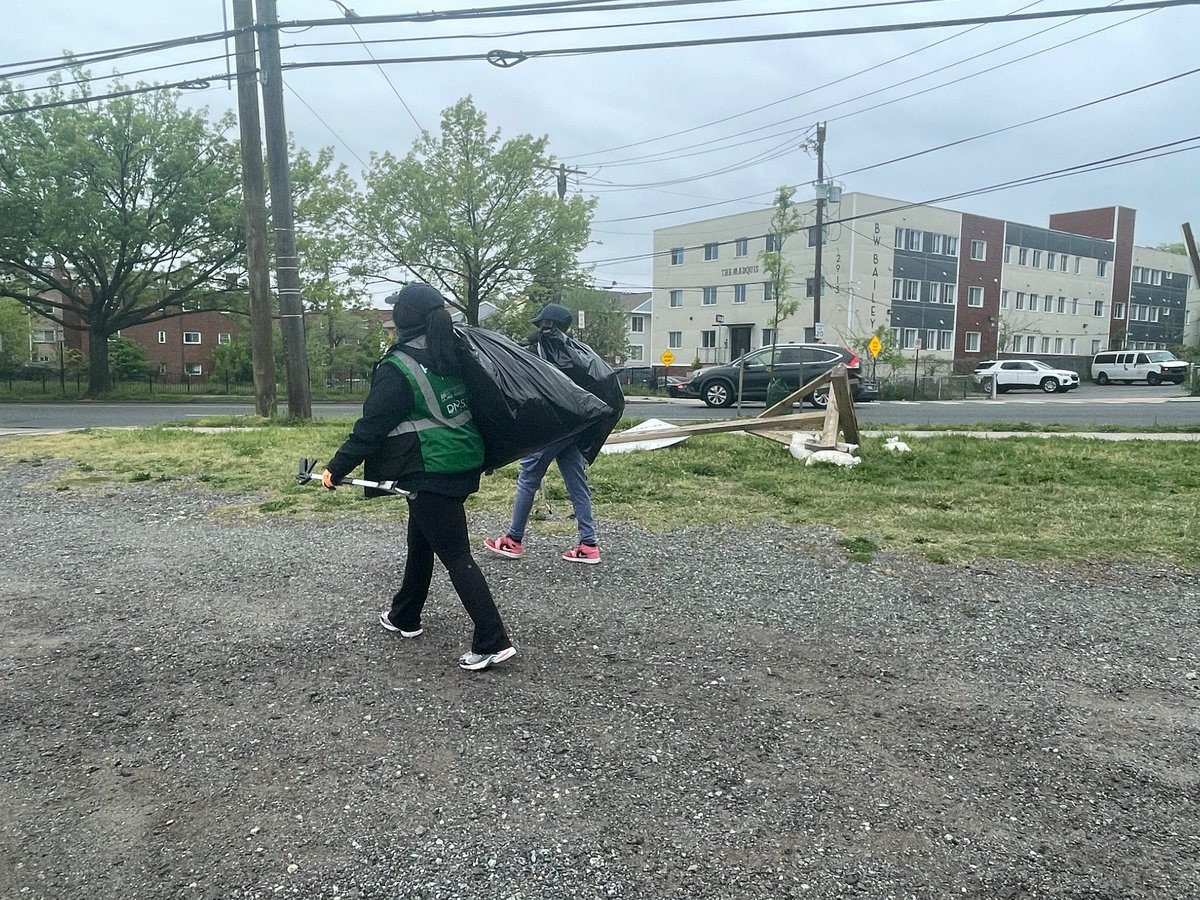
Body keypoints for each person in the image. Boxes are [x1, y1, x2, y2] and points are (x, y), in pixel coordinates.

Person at [322, 283, 516, 672]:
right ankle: (404, 616)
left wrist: (336, 468)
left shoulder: (399, 366)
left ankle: (492, 639)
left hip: (430, 467)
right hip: (463, 459)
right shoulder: (450, 351)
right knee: (422, 540)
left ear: (404, 316)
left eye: (396, 310)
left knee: (456, 553)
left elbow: (372, 427)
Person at [484, 302, 606, 565]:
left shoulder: (541, 350)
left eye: (542, 323)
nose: (539, 328)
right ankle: (589, 544)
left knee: (528, 478)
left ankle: (513, 540)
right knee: (577, 484)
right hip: (575, 429)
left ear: (548, 325)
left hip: (550, 429)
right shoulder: (578, 353)